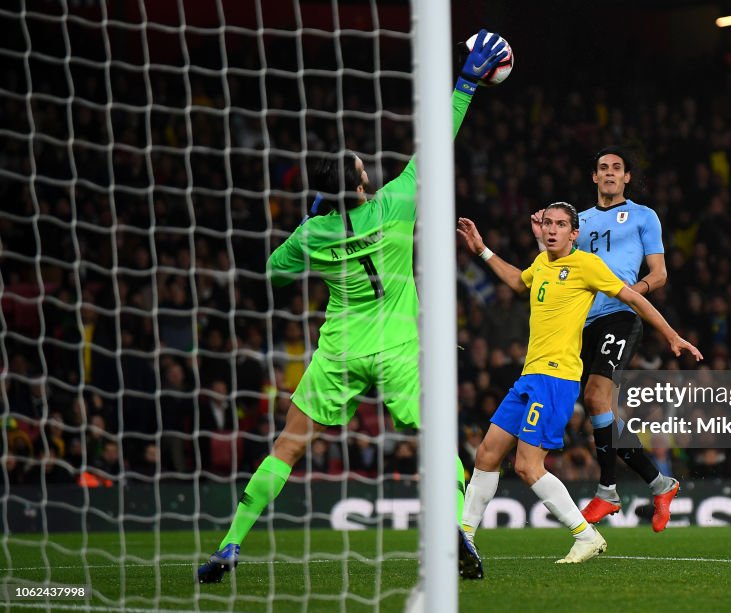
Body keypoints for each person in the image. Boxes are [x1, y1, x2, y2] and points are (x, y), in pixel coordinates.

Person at [196, 30, 509, 584]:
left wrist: (315, 220)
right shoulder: (395, 203)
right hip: (398, 349)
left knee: (288, 446)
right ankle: (456, 531)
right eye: (362, 165)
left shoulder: (312, 234)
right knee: (439, 443)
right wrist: (465, 84)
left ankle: (230, 544)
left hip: (340, 349)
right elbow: (438, 143)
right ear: (363, 183)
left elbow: (271, 271)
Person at [457, 203, 702, 564]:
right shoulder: (542, 264)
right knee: (487, 455)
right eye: (547, 224)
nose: (551, 230)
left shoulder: (586, 265)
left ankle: (585, 535)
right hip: (529, 376)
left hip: (556, 379)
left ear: (575, 234)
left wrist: (672, 335)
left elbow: (633, 297)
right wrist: (482, 250)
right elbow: (515, 280)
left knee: (527, 466)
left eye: (560, 225)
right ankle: (463, 539)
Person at [531, 147, 678, 531]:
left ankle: (608, 490)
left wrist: (630, 292)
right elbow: (558, 266)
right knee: (600, 409)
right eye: (603, 168)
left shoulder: (644, 216)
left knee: (596, 396)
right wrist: (542, 237)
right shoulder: (577, 222)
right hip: (582, 322)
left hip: (621, 315)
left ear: (627, 177)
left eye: (617, 168)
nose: (610, 173)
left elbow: (659, 273)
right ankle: (660, 483)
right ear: (594, 177)